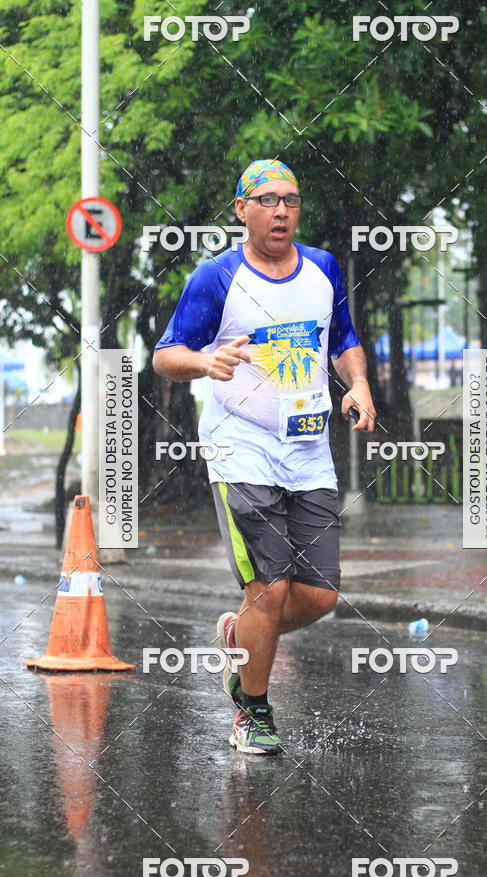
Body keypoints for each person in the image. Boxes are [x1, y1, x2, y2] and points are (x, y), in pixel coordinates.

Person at [153, 159, 376, 755]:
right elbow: (166, 354)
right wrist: (205, 361)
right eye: (268, 199)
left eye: (292, 200)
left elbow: (345, 340)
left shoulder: (323, 269)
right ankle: (251, 710)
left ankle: (240, 635)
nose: (281, 210)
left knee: (322, 595)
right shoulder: (217, 277)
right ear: (241, 209)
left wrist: (358, 385)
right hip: (240, 448)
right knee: (270, 588)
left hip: (308, 448)